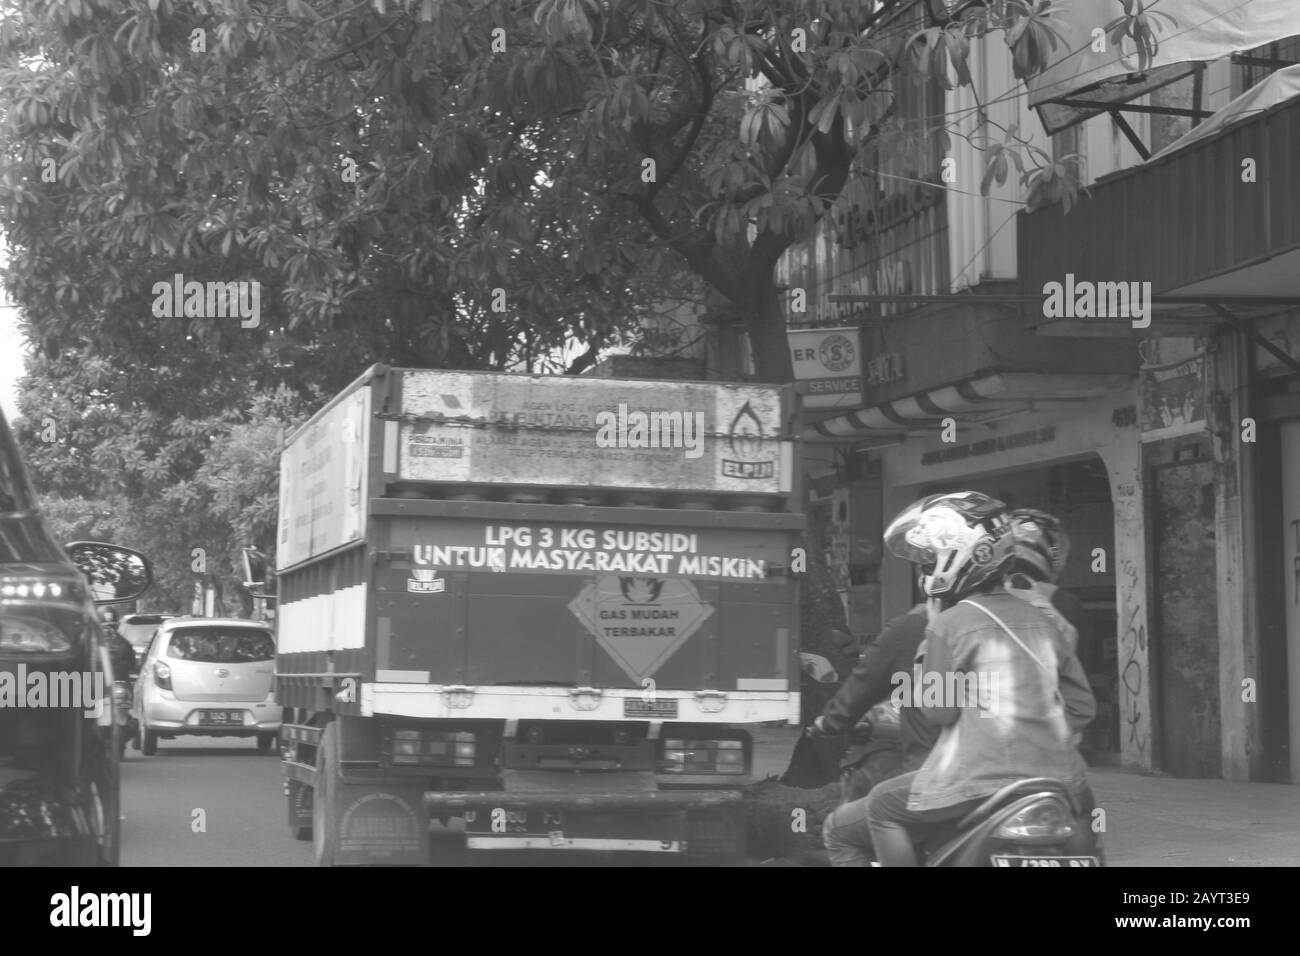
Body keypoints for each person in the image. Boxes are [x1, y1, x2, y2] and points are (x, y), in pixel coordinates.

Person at [863, 491, 1096, 867]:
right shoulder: (1048, 622)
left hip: (975, 780)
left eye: (931, 559)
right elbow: (1082, 708)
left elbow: (938, 711)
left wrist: (931, 638)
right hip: (1057, 778)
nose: (926, 570)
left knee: (880, 807)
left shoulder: (949, 625)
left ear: (960, 557)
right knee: (1081, 806)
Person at [811, 565, 941, 866]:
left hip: (942, 778)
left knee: (840, 830)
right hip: (1026, 776)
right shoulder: (1032, 626)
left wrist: (829, 721)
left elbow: (863, 684)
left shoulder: (927, 631)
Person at [100, 608, 137, 682]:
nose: (109, 631)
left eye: (111, 627)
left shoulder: (91, 644)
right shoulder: (125, 643)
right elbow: (132, 666)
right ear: (117, 626)